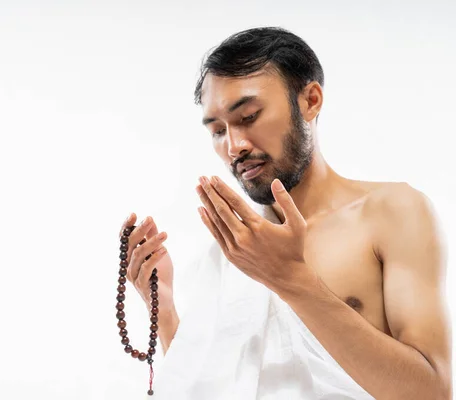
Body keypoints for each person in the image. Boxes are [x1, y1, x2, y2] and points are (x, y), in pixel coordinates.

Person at [119, 27, 452, 399]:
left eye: (248, 117)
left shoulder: (391, 214)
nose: (234, 146)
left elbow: (433, 392)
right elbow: (215, 386)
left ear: (310, 100)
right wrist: (163, 310)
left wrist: (290, 278)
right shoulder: (233, 250)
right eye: (217, 130)